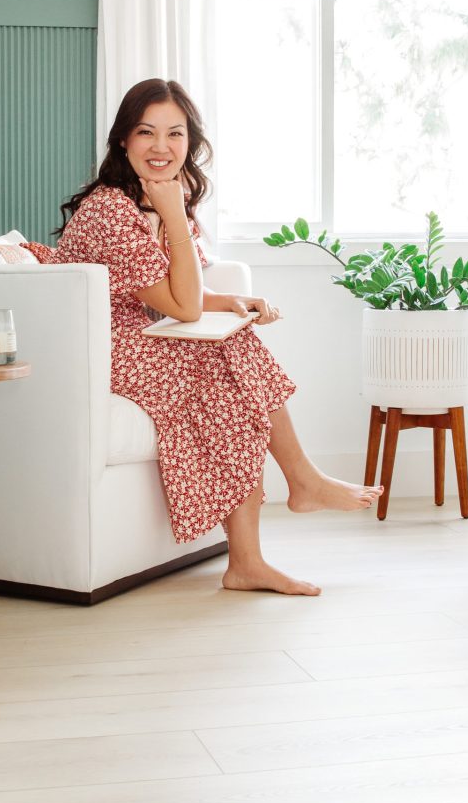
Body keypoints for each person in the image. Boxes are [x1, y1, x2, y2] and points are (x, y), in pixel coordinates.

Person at [53, 78, 382, 595]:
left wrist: (232, 303)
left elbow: (180, 293)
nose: (161, 147)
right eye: (146, 133)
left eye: (175, 134)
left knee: (233, 348)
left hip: (148, 328)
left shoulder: (156, 196)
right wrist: (175, 217)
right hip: (102, 343)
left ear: (190, 142)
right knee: (226, 361)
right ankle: (294, 493)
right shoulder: (111, 208)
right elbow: (180, 303)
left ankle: (258, 547)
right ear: (123, 140)